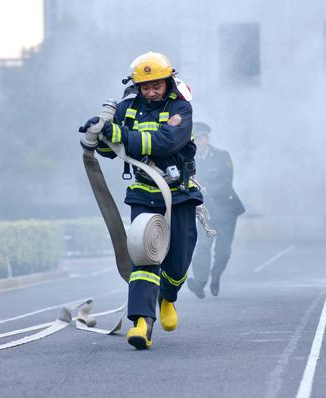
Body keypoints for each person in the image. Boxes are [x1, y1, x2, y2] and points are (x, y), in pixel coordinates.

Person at [80, 51, 202, 349]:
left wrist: (119, 134)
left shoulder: (180, 108)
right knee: (144, 255)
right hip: (144, 193)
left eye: (156, 86)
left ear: (167, 82)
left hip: (180, 193)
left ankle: (169, 299)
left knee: (178, 258)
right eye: (144, 87)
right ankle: (141, 324)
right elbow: (114, 150)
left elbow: (165, 142)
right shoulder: (126, 109)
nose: (150, 92)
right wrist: (99, 135)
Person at [186, 122, 245, 298]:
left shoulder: (221, 156)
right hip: (206, 211)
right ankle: (199, 282)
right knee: (203, 247)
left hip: (226, 210)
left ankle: (216, 275)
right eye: (195, 138)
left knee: (223, 251)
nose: (199, 141)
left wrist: (205, 188)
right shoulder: (188, 158)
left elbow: (226, 181)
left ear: (207, 139)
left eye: (201, 138)